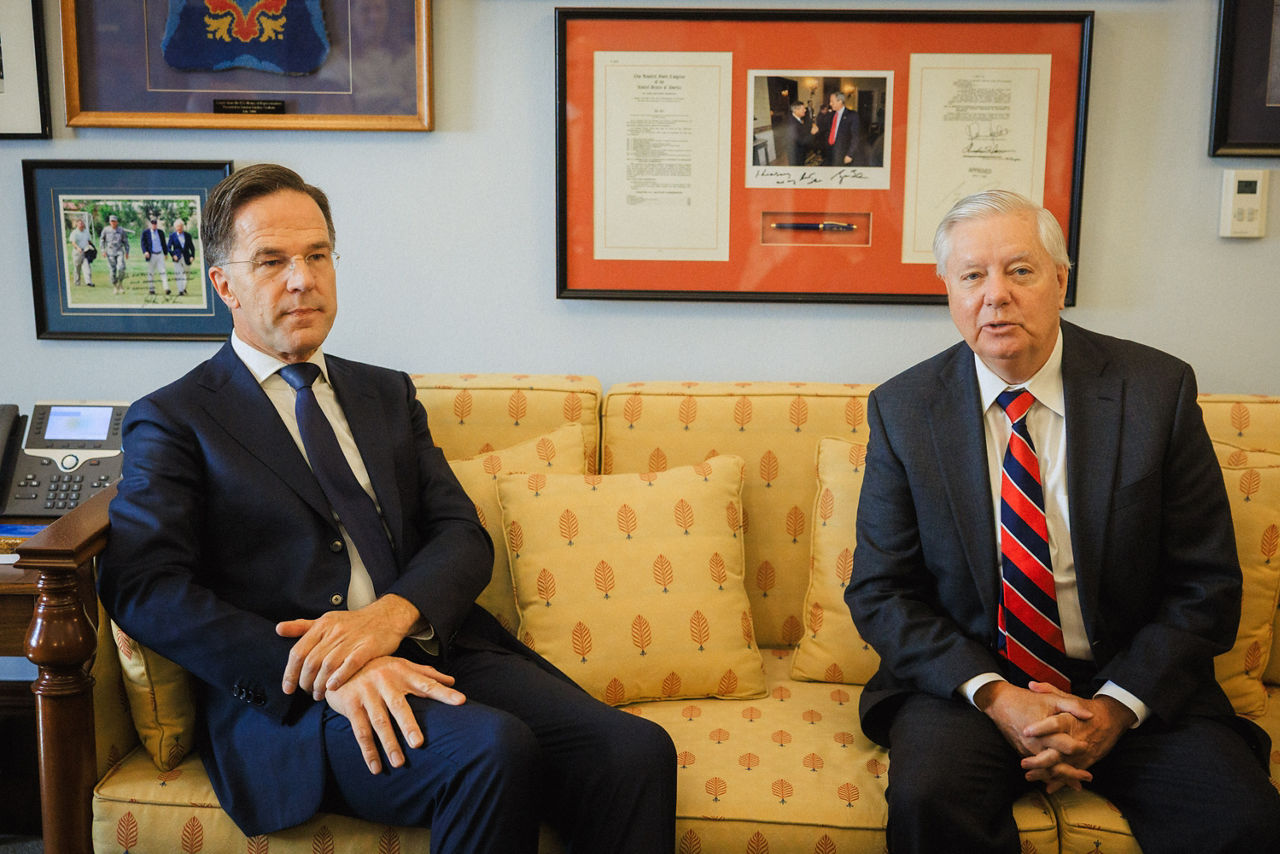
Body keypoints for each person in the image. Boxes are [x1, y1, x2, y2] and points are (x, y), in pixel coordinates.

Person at [100, 164, 677, 853]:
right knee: (492, 750)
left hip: (434, 645)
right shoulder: (174, 418)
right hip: (305, 700)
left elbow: (460, 533)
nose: (301, 279)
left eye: (317, 255)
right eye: (272, 261)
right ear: (224, 284)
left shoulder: (383, 394)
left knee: (635, 750)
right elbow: (143, 585)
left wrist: (388, 619)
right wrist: (328, 666)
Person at [846, 189, 1280, 853]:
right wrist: (997, 696)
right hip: (972, 684)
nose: (996, 295)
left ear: (1059, 281)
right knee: (927, 801)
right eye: (972, 276)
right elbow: (882, 592)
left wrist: (1114, 708)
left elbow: (1207, 583)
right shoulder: (903, 410)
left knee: (1243, 820)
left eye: (1020, 271)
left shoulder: (1155, 392)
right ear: (949, 293)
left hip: (1133, 680)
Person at [813, 91, 859, 167]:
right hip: (829, 149)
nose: (830, 104)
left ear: (840, 101)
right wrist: (817, 128)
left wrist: (850, 154)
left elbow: (855, 137)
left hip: (842, 152)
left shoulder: (852, 115)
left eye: (832, 102)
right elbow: (826, 127)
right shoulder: (831, 114)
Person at [100, 214, 130, 294]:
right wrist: (103, 250)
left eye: (114, 221)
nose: (113, 223)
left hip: (119, 251)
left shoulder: (121, 230)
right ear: (110, 222)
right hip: (110, 252)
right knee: (112, 271)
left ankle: (120, 283)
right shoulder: (106, 230)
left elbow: (125, 241)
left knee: (121, 268)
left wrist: (127, 251)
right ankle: (115, 286)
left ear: (117, 222)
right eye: (111, 221)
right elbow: (102, 240)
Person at [139, 216, 169, 295]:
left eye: (155, 223)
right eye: (152, 223)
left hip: (160, 254)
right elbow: (143, 243)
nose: (154, 225)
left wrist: (166, 253)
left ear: (157, 224)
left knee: (163, 271)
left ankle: (166, 288)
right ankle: (151, 289)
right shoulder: (145, 233)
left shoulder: (160, 232)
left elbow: (164, 244)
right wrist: (145, 252)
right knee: (150, 272)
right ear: (150, 224)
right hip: (151, 255)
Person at [167, 218, 196, 297]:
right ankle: (180, 291)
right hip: (177, 258)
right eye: (178, 227)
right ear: (175, 227)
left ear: (183, 227)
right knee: (179, 274)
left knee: (187, 275)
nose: (179, 228)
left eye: (181, 226)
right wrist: (173, 255)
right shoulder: (172, 236)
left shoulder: (188, 235)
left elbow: (192, 247)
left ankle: (184, 288)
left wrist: (192, 256)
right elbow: (168, 247)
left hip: (187, 257)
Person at [782, 100, 813, 166]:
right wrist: (812, 133)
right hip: (795, 154)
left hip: (800, 151)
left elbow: (803, 130)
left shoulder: (797, 118)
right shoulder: (791, 123)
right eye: (803, 109)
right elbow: (801, 141)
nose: (805, 110)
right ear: (796, 110)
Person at [68, 217, 95, 288]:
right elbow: (73, 242)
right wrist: (78, 248)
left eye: (82, 223)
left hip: (86, 251)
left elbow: (89, 241)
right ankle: (77, 282)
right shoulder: (75, 232)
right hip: (77, 252)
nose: (81, 224)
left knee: (87, 267)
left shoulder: (86, 232)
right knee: (77, 268)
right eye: (79, 223)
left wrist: (92, 247)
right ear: (77, 224)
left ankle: (89, 282)